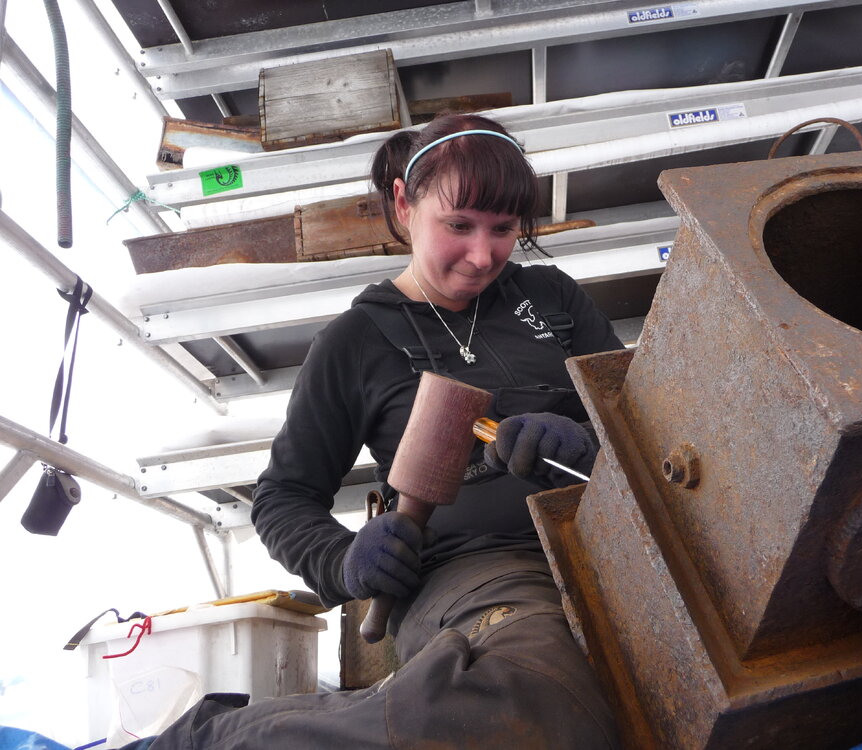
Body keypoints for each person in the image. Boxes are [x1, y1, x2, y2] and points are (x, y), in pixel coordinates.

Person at [120, 113, 623, 749]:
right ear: (404, 204)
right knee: (538, 696)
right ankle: (214, 741)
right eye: (459, 225)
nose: (483, 254)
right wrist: (342, 560)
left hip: (608, 542)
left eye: (503, 229)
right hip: (478, 572)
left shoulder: (551, 295)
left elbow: (639, 415)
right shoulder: (355, 342)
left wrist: (584, 437)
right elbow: (284, 498)